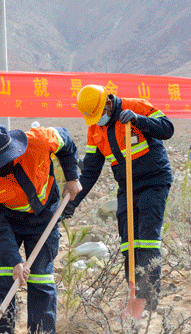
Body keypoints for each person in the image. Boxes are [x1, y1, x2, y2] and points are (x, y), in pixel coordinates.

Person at [0, 124, 81, 334]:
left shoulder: (38, 140)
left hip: (45, 215)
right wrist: (14, 260)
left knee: (40, 278)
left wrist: (72, 177)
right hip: (8, 221)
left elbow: (67, 142)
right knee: (3, 277)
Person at [70, 84, 174, 318]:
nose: (99, 120)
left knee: (147, 240)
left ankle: (150, 301)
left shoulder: (136, 106)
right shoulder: (95, 130)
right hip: (127, 186)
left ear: (108, 102)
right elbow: (90, 172)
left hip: (154, 181)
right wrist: (72, 204)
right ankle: (134, 295)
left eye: (100, 115)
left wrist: (139, 120)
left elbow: (168, 129)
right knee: (128, 243)